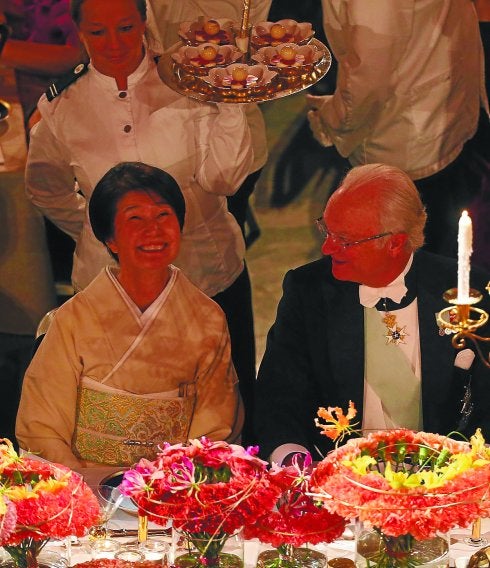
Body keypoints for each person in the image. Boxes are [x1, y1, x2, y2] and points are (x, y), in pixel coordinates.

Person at [25, 0, 256, 440]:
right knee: (119, 420)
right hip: (111, 290)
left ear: (146, 20)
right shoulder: (64, 107)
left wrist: (230, 103)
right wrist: (101, 234)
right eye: (98, 32)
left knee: (227, 420)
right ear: (79, 32)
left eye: (126, 27)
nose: (114, 43)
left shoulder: (189, 83)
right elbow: (45, 188)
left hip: (207, 274)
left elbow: (223, 179)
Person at [253, 163, 490, 463]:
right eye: (326, 230)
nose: (326, 248)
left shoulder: (464, 292)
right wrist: (291, 459)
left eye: (344, 239)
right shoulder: (308, 291)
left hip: (444, 477)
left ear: (394, 243)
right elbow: (278, 395)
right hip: (335, 476)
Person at [16, 162, 243, 471]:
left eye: (164, 215)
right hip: (85, 485)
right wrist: (81, 492)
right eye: (135, 218)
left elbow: (214, 424)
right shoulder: (74, 319)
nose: (154, 230)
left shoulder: (208, 319)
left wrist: (173, 486)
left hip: (171, 489)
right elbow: (42, 425)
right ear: (109, 238)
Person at [306, 0, 490, 259]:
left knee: (401, 265)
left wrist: (331, 122)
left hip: (404, 136)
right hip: (437, 117)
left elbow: (369, 77)